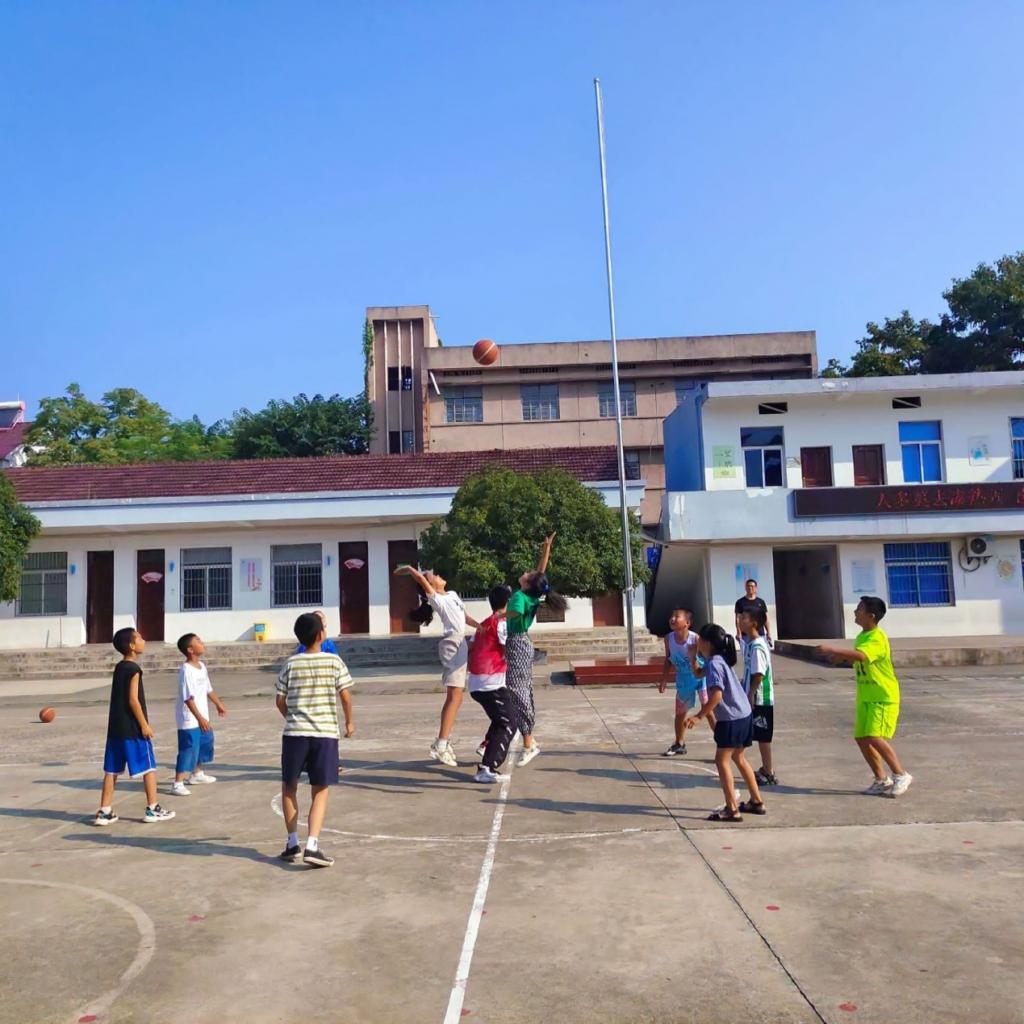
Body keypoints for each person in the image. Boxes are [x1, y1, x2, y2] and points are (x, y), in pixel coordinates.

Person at [276, 611, 355, 868]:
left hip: (294, 735)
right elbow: (345, 696)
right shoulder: (334, 661)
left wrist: (292, 717)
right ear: (322, 635)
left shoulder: (290, 663)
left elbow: (280, 700)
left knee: (289, 787)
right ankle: (312, 845)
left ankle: (292, 843)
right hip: (324, 735)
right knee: (320, 789)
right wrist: (349, 722)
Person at [818, 596, 912, 797]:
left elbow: (862, 656)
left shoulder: (877, 637)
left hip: (882, 695)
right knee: (862, 737)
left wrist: (833, 649)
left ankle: (900, 774)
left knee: (874, 736)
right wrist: (840, 659)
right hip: (866, 695)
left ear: (871, 616)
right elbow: (859, 659)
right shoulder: (862, 636)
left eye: (859, 609)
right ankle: (881, 779)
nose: (855, 612)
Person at [395, 565, 478, 767]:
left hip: (460, 642)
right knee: (455, 696)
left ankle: (443, 741)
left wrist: (482, 627)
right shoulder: (436, 599)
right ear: (431, 586)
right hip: (452, 643)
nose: (439, 576)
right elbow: (421, 580)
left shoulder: (453, 595)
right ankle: (441, 744)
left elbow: (465, 617)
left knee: (457, 697)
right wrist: (410, 569)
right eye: (434, 577)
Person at [92, 628, 175, 826]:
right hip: (132, 728)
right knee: (149, 767)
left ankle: (104, 811)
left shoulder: (120, 667)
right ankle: (153, 808)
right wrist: (144, 725)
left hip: (115, 729)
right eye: (139, 637)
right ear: (131, 645)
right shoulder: (134, 669)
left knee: (111, 770)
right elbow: (133, 700)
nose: (143, 640)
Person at [685, 623, 765, 821]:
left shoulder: (714, 664)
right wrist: (692, 656)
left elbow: (717, 696)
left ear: (707, 643)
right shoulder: (718, 659)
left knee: (722, 760)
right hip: (744, 715)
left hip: (731, 719)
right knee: (739, 757)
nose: (697, 643)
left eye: (699, 640)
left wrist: (699, 716)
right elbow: (698, 673)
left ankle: (732, 809)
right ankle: (756, 801)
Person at [505, 533, 567, 767]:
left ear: (528, 583)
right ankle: (527, 736)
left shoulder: (520, 596)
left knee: (518, 690)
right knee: (521, 689)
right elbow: (541, 572)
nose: (526, 572)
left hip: (518, 643)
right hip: (521, 643)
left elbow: (516, 612)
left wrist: (499, 615)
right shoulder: (530, 592)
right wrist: (546, 549)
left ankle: (529, 743)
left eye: (528, 574)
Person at [468, 584, 516, 784]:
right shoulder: (501, 623)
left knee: (499, 719)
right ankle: (486, 767)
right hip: (490, 683)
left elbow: (471, 645)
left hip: (479, 682)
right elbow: (509, 648)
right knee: (509, 723)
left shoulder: (484, 623)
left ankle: (486, 747)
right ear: (508, 602)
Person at [172, 633, 228, 797]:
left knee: (204, 743)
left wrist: (218, 703)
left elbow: (208, 689)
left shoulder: (201, 666)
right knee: (188, 748)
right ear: (190, 649)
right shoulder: (186, 670)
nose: (202, 643)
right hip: (190, 718)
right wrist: (200, 718)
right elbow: (188, 699)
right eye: (198, 641)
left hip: (202, 715)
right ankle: (177, 783)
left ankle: (197, 774)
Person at [658, 608, 712, 756]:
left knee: (709, 711)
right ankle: (679, 743)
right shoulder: (668, 639)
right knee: (680, 713)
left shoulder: (695, 639)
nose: (672, 619)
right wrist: (664, 679)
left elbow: (707, 658)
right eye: (672, 616)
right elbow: (668, 659)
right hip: (683, 679)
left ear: (687, 623)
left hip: (700, 677)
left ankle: (723, 744)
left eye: (677, 616)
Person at [739, 607, 777, 785]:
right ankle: (766, 768)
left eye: (744, 618)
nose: (740, 621)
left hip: (761, 698)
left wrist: (751, 693)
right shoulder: (750, 643)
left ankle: (769, 772)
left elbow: (759, 674)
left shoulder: (757, 646)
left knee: (763, 736)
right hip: (753, 696)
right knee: (759, 734)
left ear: (754, 623)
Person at [734, 579, 772, 646]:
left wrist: (768, 632)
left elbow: (765, 619)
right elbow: (738, 619)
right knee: (747, 652)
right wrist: (738, 632)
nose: (750, 588)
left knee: (760, 650)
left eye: (752, 586)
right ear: (745, 588)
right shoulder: (740, 602)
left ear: (756, 588)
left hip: (760, 634)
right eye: (748, 586)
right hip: (746, 635)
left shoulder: (761, 602)